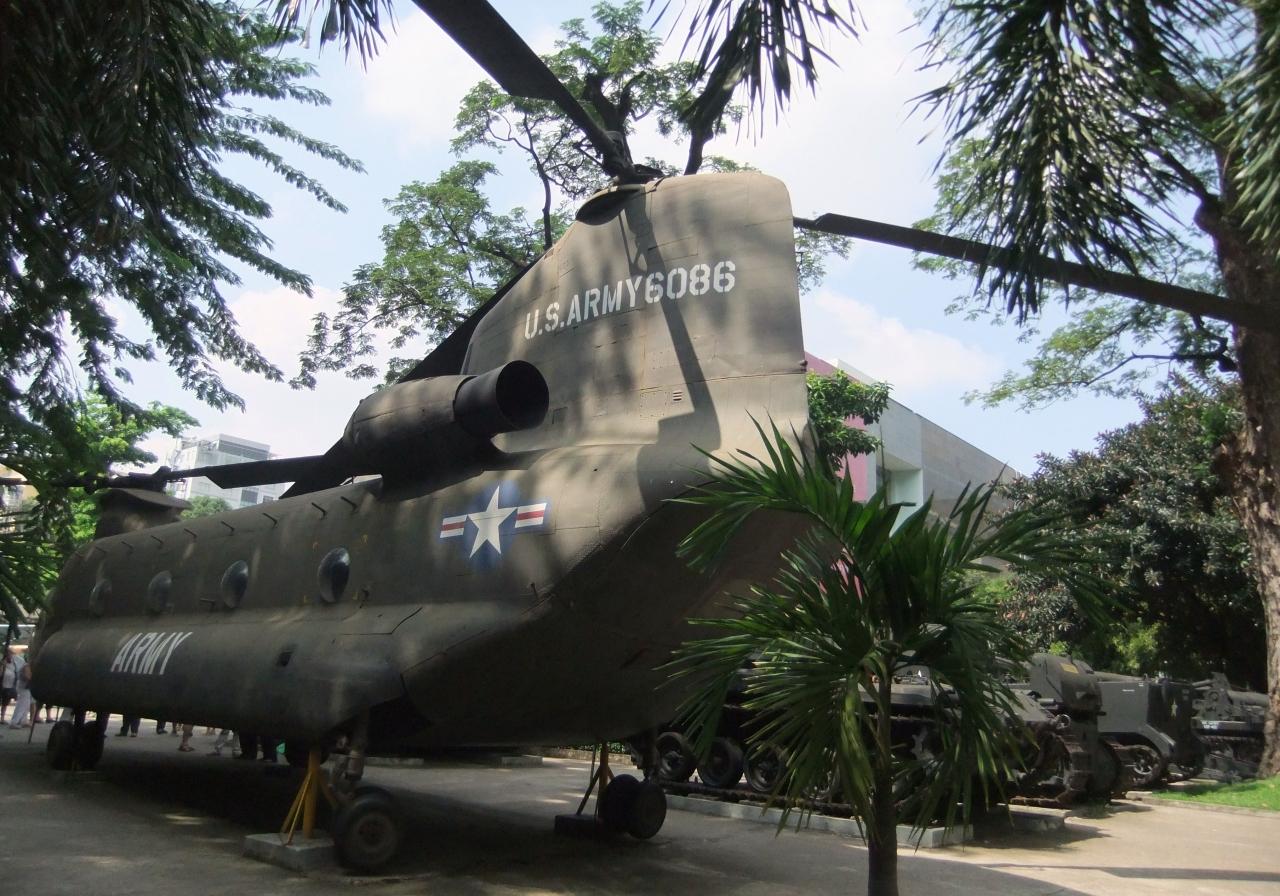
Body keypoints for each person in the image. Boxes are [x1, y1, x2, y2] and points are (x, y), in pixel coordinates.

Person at [7, 650, 31, 729]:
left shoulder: (24, 665)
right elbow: (28, 676)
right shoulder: (26, 666)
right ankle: (14, 722)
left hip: (24, 687)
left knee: (26, 704)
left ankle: (23, 720)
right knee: (22, 704)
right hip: (24, 687)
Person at [0, 649, 16, 722]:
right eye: (9, 654)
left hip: (9, 686)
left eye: (11, 654)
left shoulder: (13, 664)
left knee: (5, 703)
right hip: (2, 686)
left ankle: (2, 718)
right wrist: (2, 665)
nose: (11, 656)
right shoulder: (2, 663)